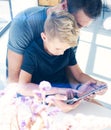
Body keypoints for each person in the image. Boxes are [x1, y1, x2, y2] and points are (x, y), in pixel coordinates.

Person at [17, 11, 107, 112]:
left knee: (100, 110)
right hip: (43, 97)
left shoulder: (66, 51)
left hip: (67, 94)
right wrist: (56, 91)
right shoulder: (32, 53)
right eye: (58, 49)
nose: (61, 53)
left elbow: (79, 74)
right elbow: (23, 87)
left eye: (65, 49)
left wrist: (96, 83)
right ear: (44, 37)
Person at [7, 0, 103, 83]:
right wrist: (51, 96)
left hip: (55, 85)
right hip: (32, 89)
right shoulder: (24, 24)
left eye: (82, 27)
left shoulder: (72, 31)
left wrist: (78, 89)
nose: (77, 31)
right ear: (64, 6)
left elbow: (67, 67)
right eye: (77, 24)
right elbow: (14, 81)